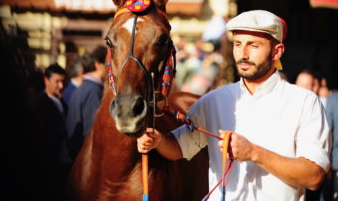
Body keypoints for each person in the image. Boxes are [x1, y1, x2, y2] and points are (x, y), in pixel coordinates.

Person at [137, 10, 331, 200]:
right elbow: (179, 147)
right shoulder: (212, 101)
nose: (243, 54)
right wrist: (158, 141)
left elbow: (314, 176)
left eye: (253, 45)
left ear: (277, 51)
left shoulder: (304, 102)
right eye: (238, 44)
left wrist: (254, 153)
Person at [65, 45, 107, 160]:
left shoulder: (84, 87)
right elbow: (91, 130)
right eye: (108, 64)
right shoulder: (93, 90)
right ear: (98, 64)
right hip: (84, 157)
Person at [35, 63, 69, 201]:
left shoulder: (63, 103)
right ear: (46, 80)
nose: (61, 86)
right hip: (48, 162)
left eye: (63, 82)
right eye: (57, 81)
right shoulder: (39, 104)